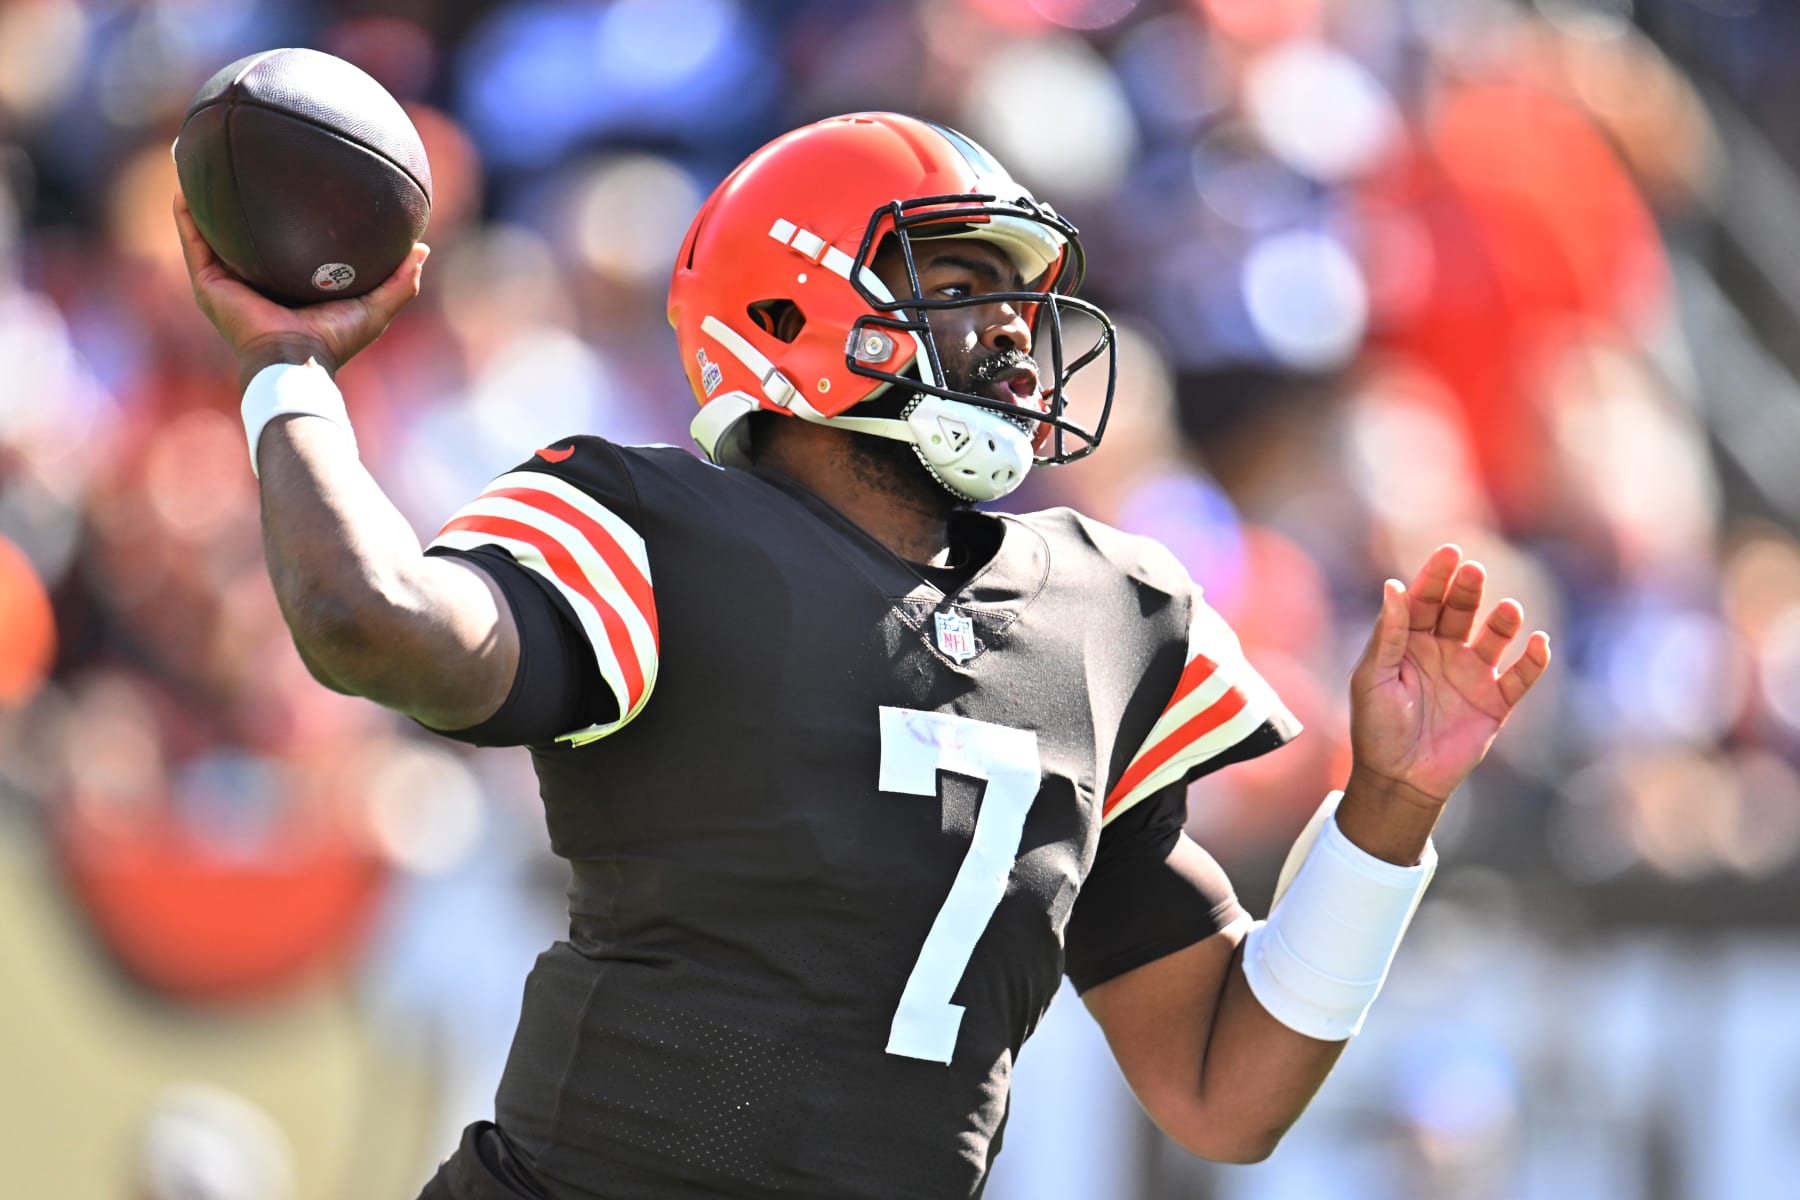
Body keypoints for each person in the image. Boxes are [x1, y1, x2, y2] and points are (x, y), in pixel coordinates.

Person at [174, 112, 1550, 1200]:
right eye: (956, 285)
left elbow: (1224, 1092)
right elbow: (369, 619)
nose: (1012, 334)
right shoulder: (659, 526)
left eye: (1017, 298)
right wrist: (289, 370)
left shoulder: (1103, 609)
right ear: (787, 315)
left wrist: (1392, 802)